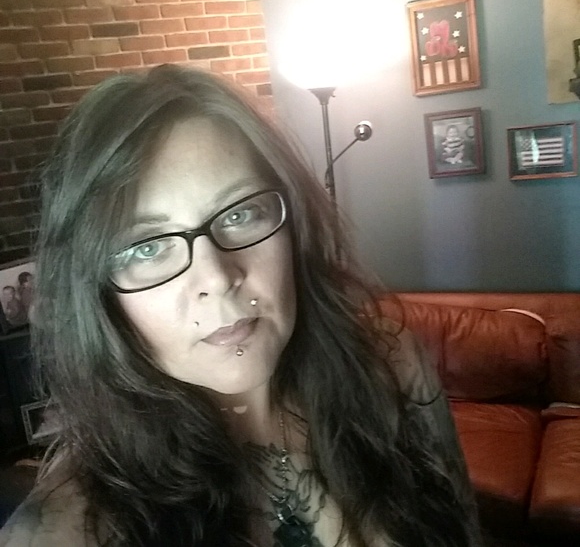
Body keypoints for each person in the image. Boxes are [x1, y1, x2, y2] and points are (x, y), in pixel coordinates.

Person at [0, 64, 481, 546]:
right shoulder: (64, 533)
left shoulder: (394, 369)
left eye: (240, 213)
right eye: (147, 247)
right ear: (97, 290)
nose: (216, 277)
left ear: (293, 225)